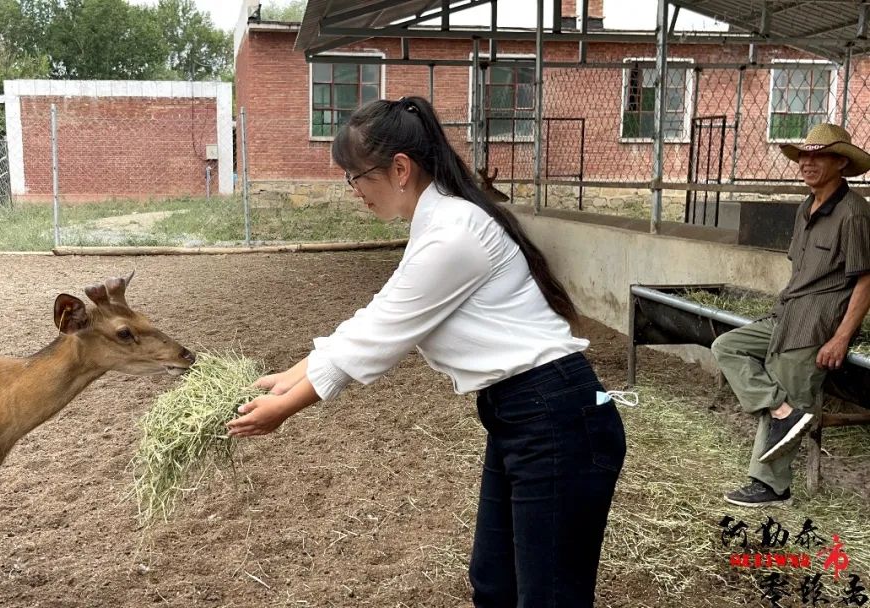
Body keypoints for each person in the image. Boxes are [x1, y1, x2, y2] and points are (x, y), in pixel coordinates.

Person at [225, 96, 626, 607]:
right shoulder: (439, 224)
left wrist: (284, 406)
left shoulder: (454, 233)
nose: (353, 191)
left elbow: (384, 333)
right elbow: (379, 314)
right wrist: (287, 376)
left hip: (556, 417)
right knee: (495, 584)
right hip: (524, 414)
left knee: (548, 598)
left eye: (356, 177)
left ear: (399, 168)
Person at [713, 123, 870, 508]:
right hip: (786, 312)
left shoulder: (853, 214)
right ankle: (782, 409)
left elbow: (866, 280)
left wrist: (840, 337)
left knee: (789, 380)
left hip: (817, 323)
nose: (808, 162)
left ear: (840, 162)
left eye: (818, 155)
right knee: (727, 346)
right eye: (804, 155)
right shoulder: (806, 207)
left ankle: (771, 486)